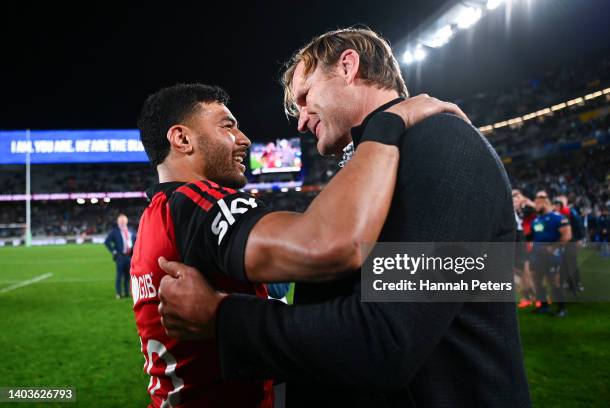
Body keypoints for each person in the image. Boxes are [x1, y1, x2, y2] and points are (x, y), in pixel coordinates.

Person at [158, 28, 531, 407]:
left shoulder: (441, 142)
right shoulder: (381, 160)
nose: (301, 122)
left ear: (348, 66)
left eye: (304, 98)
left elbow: (385, 341)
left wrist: (221, 315)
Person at [132, 82, 462, 407]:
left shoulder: (154, 217)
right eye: (228, 126)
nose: (244, 139)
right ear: (182, 138)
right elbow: (330, 243)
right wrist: (388, 126)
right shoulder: (198, 200)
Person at [531, 190, 572, 316]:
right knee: (538, 280)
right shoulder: (536, 220)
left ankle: (561, 308)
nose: (536, 206)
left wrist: (553, 248)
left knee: (554, 282)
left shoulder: (558, 218)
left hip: (552, 256)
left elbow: (567, 235)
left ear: (545, 203)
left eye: (538, 204)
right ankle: (543, 306)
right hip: (537, 255)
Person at [104, 213, 136, 299]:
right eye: (120, 221)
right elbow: (107, 242)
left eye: (123, 221)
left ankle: (126, 293)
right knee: (119, 276)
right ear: (118, 222)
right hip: (120, 257)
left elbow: (136, 241)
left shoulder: (131, 230)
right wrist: (113, 251)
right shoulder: (115, 231)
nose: (122, 222)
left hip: (129, 257)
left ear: (126, 221)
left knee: (127, 276)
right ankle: (118, 293)